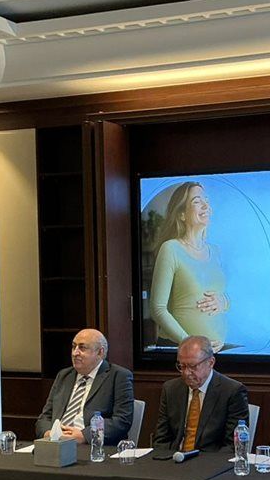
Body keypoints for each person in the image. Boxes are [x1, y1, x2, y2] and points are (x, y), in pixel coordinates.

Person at [148, 182, 230, 350]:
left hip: (216, 350)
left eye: (206, 200)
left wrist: (224, 301)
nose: (206, 205)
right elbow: (157, 309)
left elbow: (236, 295)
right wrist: (190, 343)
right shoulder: (171, 248)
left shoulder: (216, 251)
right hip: (183, 351)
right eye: (197, 201)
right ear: (182, 215)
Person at [35, 329, 134, 444]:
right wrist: (48, 433)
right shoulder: (64, 375)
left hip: (91, 446)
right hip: (55, 443)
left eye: (82, 348)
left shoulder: (118, 376)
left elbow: (122, 421)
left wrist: (84, 436)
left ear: (100, 352)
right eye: (73, 347)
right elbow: (45, 417)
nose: (75, 353)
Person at [153, 335, 249, 453]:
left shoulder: (232, 391)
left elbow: (233, 446)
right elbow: (161, 439)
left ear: (211, 362)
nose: (186, 373)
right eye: (182, 366)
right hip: (174, 458)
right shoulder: (171, 389)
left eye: (193, 366)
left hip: (210, 461)